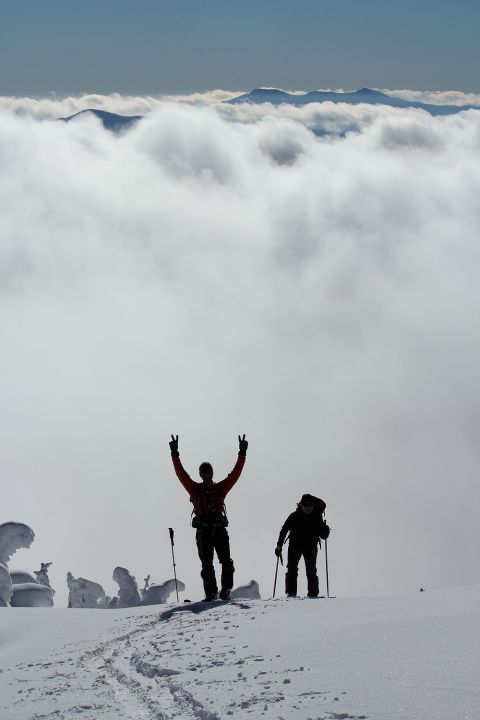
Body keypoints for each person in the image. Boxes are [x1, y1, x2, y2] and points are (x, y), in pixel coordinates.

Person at [169, 433, 248, 601]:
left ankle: (225, 589)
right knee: (207, 564)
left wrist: (242, 453)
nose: (206, 476)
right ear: (200, 475)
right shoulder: (195, 489)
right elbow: (181, 475)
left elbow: (235, 475)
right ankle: (211, 593)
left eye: (208, 473)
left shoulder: (220, 488)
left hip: (218, 529)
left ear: (212, 473)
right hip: (204, 531)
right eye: (203, 473)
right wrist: (175, 454)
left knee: (226, 561)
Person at [275, 494, 330, 598]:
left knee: (311, 570)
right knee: (292, 568)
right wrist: (279, 545)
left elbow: (322, 534)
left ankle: (313, 594)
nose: (308, 508)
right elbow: (284, 530)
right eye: (306, 505)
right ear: (301, 505)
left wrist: (325, 531)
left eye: (310, 506)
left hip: (310, 546)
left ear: (313, 506)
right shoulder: (294, 516)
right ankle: (291, 593)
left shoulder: (317, 516)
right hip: (295, 545)